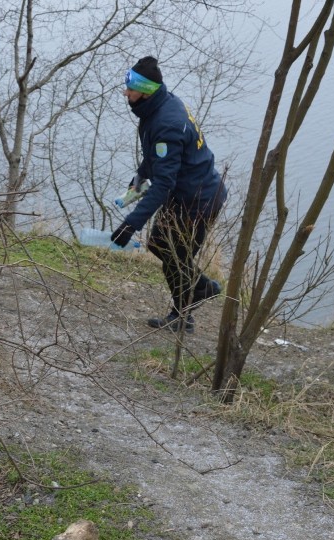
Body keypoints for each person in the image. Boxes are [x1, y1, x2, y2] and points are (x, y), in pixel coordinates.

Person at [111, 56, 227, 334]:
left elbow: (163, 185)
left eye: (130, 88)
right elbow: (157, 155)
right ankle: (200, 292)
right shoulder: (159, 106)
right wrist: (142, 173)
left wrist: (130, 224)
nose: (125, 92)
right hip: (185, 192)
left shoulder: (167, 123)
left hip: (198, 200)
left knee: (175, 254)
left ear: (147, 90)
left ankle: (185, 311)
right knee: (162, 246)